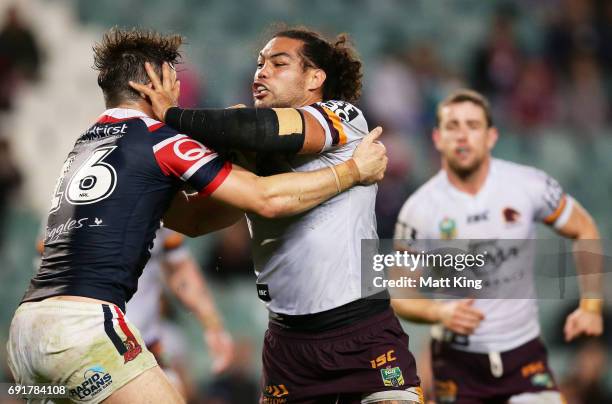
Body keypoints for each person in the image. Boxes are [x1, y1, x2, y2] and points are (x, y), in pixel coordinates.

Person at [7, 28, 387, 404]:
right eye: (172, 82)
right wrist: (352, 171)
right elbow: (265, 199)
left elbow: (190, 222)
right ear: (150, 87)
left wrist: (240, 165)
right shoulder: (160, 138)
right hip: (84, 329)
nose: (176, 91)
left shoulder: (88, 142)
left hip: (26, 334)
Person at [133, 26, 423, 404]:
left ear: (315, 78)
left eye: (278, 63)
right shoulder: (248, 152)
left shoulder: (342, 118)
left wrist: (170, 114)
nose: (261, 72)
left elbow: (264, 130)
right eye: (259, 64)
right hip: (288, 347)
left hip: (361, 332)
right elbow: (194, 222)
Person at [391, 89, 603, 403]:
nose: (463, 136)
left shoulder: (529, 185)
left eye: (473, 126)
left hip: (524, 354)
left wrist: (591, 306)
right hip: (457, 363)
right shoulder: (418, 210)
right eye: (453, 126)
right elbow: (398, 293)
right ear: (437, 138)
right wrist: (438, 311)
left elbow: (584, 227)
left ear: (491, 136)